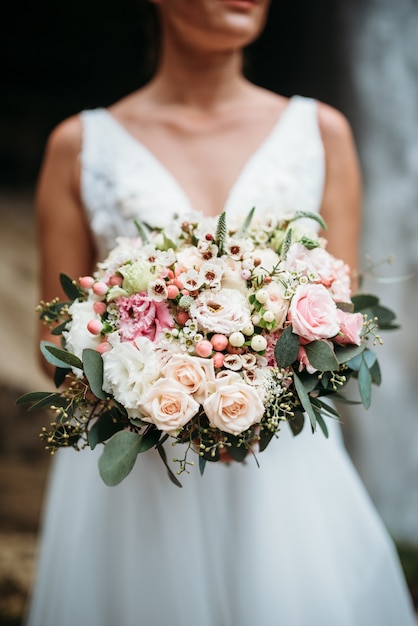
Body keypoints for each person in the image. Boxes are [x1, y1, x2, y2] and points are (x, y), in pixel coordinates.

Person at [26, 1, 416, 625]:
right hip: (138, 483)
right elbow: (53, 339)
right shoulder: (79, 145)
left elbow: (344, 322)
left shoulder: (322, 134)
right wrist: (160, 395)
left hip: (283, 476)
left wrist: (259, 386)